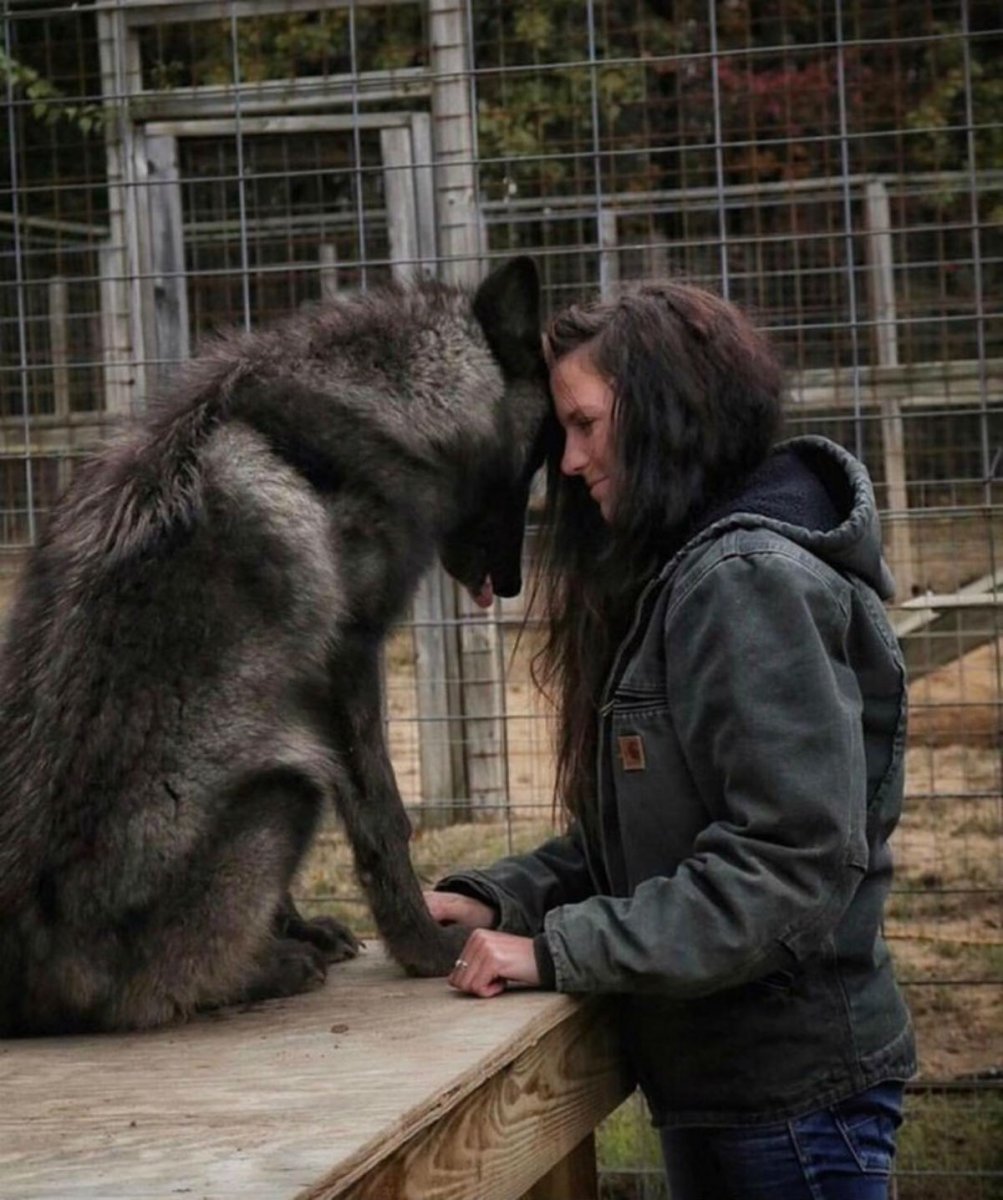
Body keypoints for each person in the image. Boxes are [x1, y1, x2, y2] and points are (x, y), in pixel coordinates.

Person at [424, 279, 916, 1199]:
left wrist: (555, 949)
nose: (566, 464)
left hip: (790, 1100)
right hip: (729, 1088)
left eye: (584, 425)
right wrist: (500, 899)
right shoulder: (686, 574)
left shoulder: (745, 582)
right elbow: (655, 837)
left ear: (665, 416)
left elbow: (785, 866)